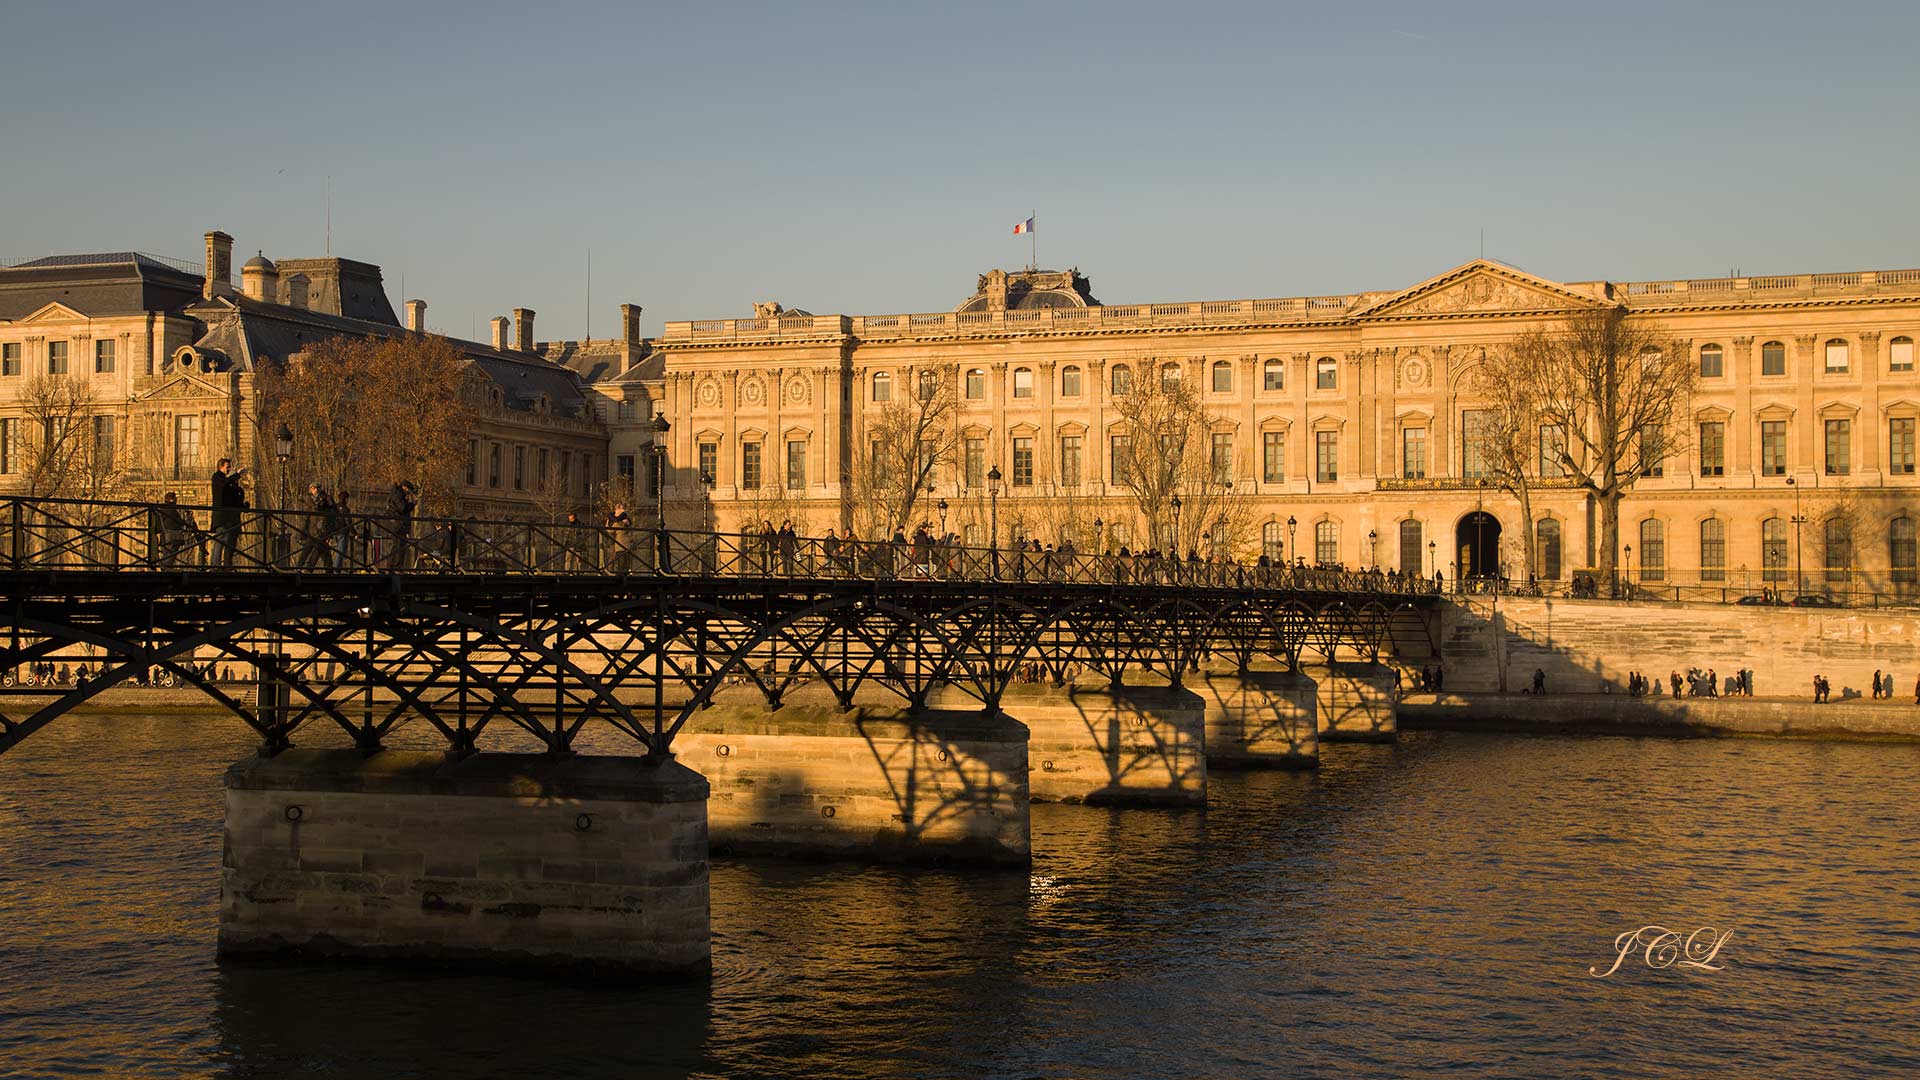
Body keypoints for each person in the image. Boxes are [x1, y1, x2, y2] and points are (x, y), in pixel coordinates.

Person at [208, 458, 249, 567]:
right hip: (220, 516)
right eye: (227, 467)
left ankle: (225, 565)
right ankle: (215, 565)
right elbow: (223, 484)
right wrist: (236, 475)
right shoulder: (217, 477)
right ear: (221, 467)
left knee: (227, 540)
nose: (229, 469)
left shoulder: (227, 482)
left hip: (227, 517)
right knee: (220, 539)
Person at [297, 482, 335, 569]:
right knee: (312, 549)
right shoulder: (309, 500)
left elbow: (333, 514)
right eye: (314, 488)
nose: (316, 490)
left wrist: (331, 531)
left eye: (317, 488)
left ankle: (306, 568)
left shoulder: (327, 499)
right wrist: (302, 532)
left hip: (323, 529)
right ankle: (302, 568)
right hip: (313, 529)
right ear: (311, 490)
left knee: (319, 550)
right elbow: (306, 517)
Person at [383, 480, 416, 571]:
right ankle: (395, 566)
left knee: (398, 545)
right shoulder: (398, 495)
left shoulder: (396, 494)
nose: (409, 492)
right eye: (409, 490)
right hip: (397, 524)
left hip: (396, 523)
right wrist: (412, 504)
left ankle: (394, 566)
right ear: (404, 487)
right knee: (398, 545)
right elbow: (403, 508)